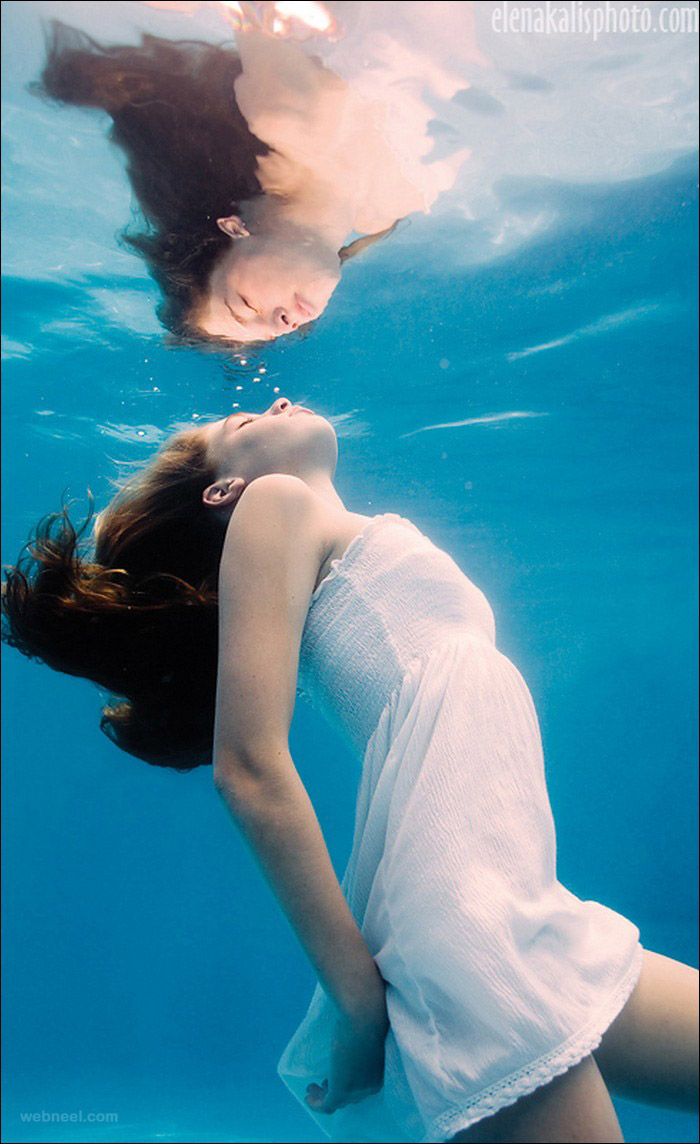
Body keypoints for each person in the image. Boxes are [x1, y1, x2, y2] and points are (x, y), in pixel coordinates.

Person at [3, 396, 698, 1142]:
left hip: (524, 912)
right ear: (222, 492)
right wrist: (358, 1005)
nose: (270, 397)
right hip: (471, 932)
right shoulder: (275, 504)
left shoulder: (325, 535)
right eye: (237, 425)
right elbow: (248, 769)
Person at [34, 18, 465, 346]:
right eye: (273, 333)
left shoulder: (282, 116)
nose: (285, 324)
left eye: (246, 306)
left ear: (234, 229)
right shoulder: (389, 207)